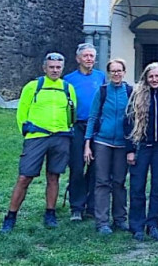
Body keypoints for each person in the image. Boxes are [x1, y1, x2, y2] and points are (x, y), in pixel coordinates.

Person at [0, 52, 76, 234]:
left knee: (54, 176)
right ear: (44, 68)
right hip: (36, 137)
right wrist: (26, 132)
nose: (55, 70)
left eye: (58, 67)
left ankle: (50, 213)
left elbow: (72, 111)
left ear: (62, 69)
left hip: (61, 137)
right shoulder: (33, 86)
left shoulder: (67, 88)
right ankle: (10, 216)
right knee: (24, 177)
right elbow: (22, 112)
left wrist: (67, 128)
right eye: (51, 67)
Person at [84, 58, 132, 235]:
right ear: (109, 73)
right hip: (102, 142)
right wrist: (87, 144)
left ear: (124, 72)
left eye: (119, 71)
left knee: (119, 182)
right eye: (113, 71)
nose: (116, 74)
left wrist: (133, 146)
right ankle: (102, 222)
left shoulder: (130, 91)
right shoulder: (102, 91)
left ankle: (120, 219)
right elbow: (93, 117)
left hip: (121, 143)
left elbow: (134, 120)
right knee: (102, 181)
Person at [125, 62, 158, 242]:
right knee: (137, 187)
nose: (154, 79)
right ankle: (137, 226)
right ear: (146, 77)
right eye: (151, 76)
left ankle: (153, 225)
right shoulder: (136, 97)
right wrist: (130, 150)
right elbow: (127, 123)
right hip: (140, 146)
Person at [63, 43, 106, 222]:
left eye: (92, 56)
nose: (89, 59)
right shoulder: (69, 79)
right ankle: (76, 207)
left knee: (97, 167)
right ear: (78, 58)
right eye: (86, 56)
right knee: (77, 166)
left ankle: (91, 205)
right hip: (78, 126)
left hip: (97, 126)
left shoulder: (101, 76)